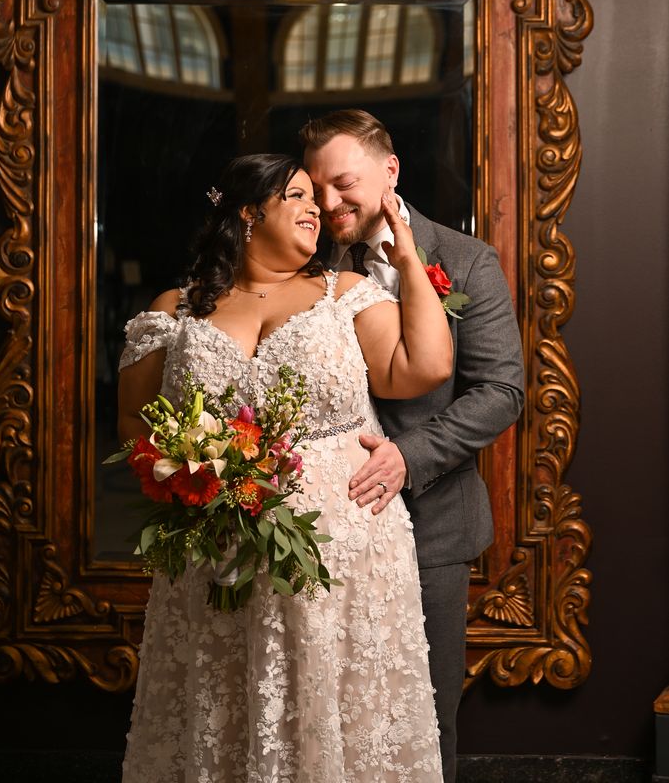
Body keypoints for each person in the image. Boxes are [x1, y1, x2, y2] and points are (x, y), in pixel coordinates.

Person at [117, 152, 454, 783]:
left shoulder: (346, 296)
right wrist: (195, 472)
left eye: (314, 201)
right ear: (249, 212)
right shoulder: (177, 309)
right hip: (216, 542)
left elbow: (423, 368)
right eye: (296, 196)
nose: (315, 210)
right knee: (224, 699)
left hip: (343, 543)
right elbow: (135, 426)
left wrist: (407, 260)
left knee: (337, 704)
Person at [301, 110, 525, 783]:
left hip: (430, 530)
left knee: (421, 719)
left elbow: (500, 392)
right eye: (315, 189)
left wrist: (409, 456)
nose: (329, 203)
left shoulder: (462, 261)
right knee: (325, 713)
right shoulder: (303, 264)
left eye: (343, 184)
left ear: (388, 171)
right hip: (318, 529)